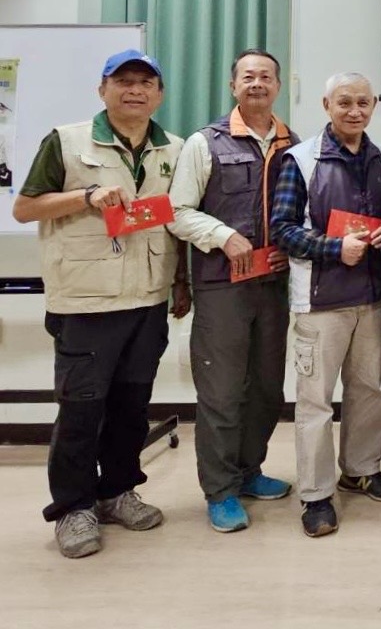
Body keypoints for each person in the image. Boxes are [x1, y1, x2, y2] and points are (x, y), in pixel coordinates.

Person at [12, 50, 189, 559]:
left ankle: (116, 492)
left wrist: (181, 282)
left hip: (148, 299)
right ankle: (73, 508)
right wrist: (85, 196)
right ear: (103, 89)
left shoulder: (174, 149)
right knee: (81, 410)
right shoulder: (67, 142)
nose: (135, 90)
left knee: (131, 408)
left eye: (145, 83)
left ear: (159, 94)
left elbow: (176, 219)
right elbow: (24, 208)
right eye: (123, 81)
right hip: (86, 300)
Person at [168, 49, 297, 533]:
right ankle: (220, 490)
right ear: (233, 86)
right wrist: (223, 235)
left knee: (266, 388)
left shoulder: (293, 144)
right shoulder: (205, 143)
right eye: (248, 76)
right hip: (222, 285)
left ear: (278, 86)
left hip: (274, 285)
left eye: (266, 76)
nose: (257, 83)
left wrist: (291, 247)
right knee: (221, 392)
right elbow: (177, 211)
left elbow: (301, 210)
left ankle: (248, 471)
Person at [271, 72, 381, 538]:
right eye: (344, 102)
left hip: (374, 296)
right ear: (327, 105)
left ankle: (360, 470)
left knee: (368, 390)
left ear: (374, 105)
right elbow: (281, 228)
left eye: (363, 102)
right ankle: (316, 494)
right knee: (316, 401)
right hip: (320, 300)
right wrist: (332, 247)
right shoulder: (301, 159)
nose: (354, 111)